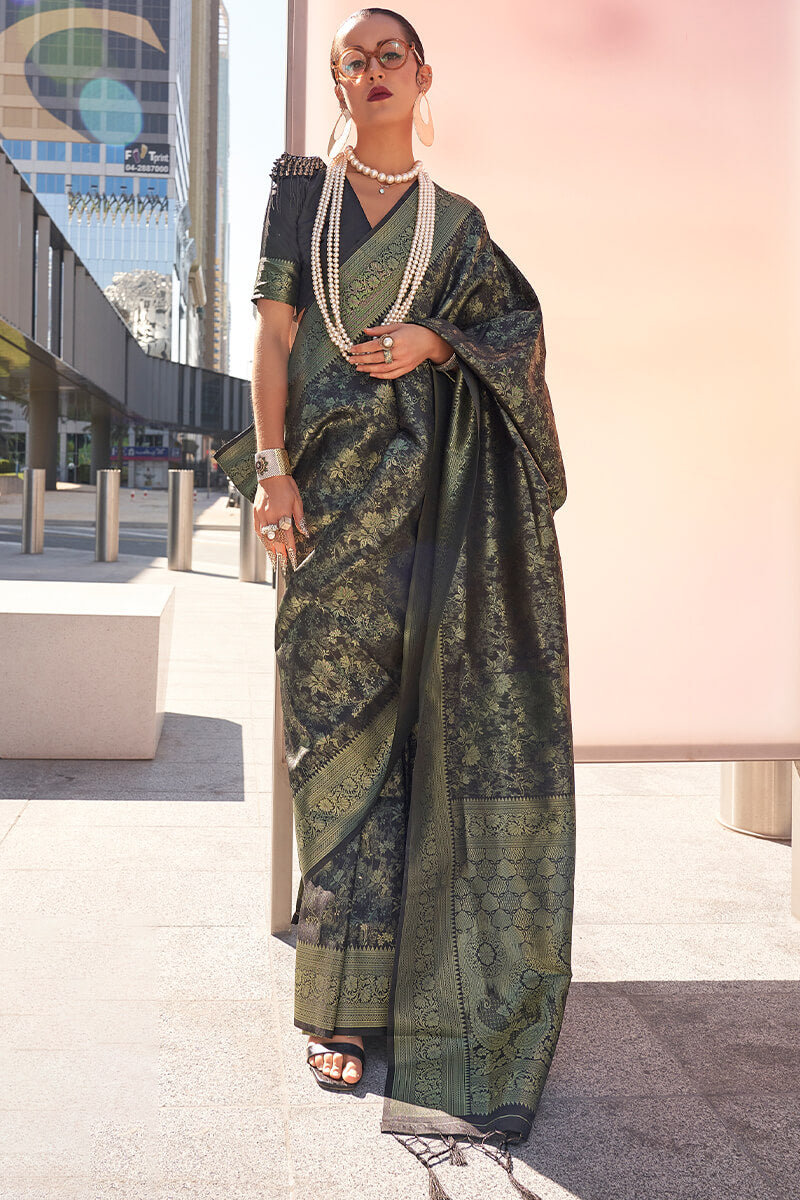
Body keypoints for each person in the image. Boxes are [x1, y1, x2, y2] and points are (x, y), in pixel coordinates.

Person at [219, 7, 576, 1194]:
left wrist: (436, 342)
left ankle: (415, 990)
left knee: (423, 741)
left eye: (386, 57)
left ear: (421, 75)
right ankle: (336, 1001)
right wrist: (273, 471)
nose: (368, 73)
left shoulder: (456, 225)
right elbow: (272, 341)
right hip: (322, 513)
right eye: (350, 62)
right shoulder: (301, 199)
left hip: (430, 517)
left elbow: (514, 337)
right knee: (333, 752)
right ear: (338, 85)